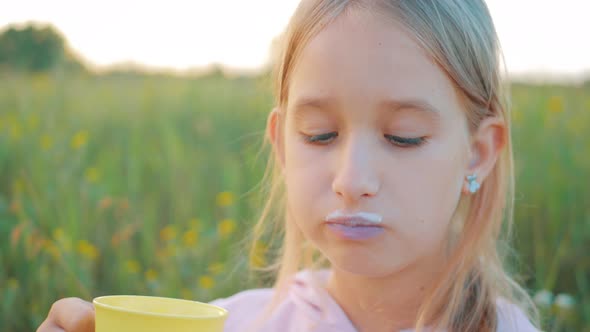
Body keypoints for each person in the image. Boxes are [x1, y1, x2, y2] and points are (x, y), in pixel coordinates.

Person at [37, 0, 541, 331]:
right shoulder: (237, 324)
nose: (352, 182)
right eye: (319, 135)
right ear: (282, 146)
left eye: (402, 138)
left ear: (477, 152)